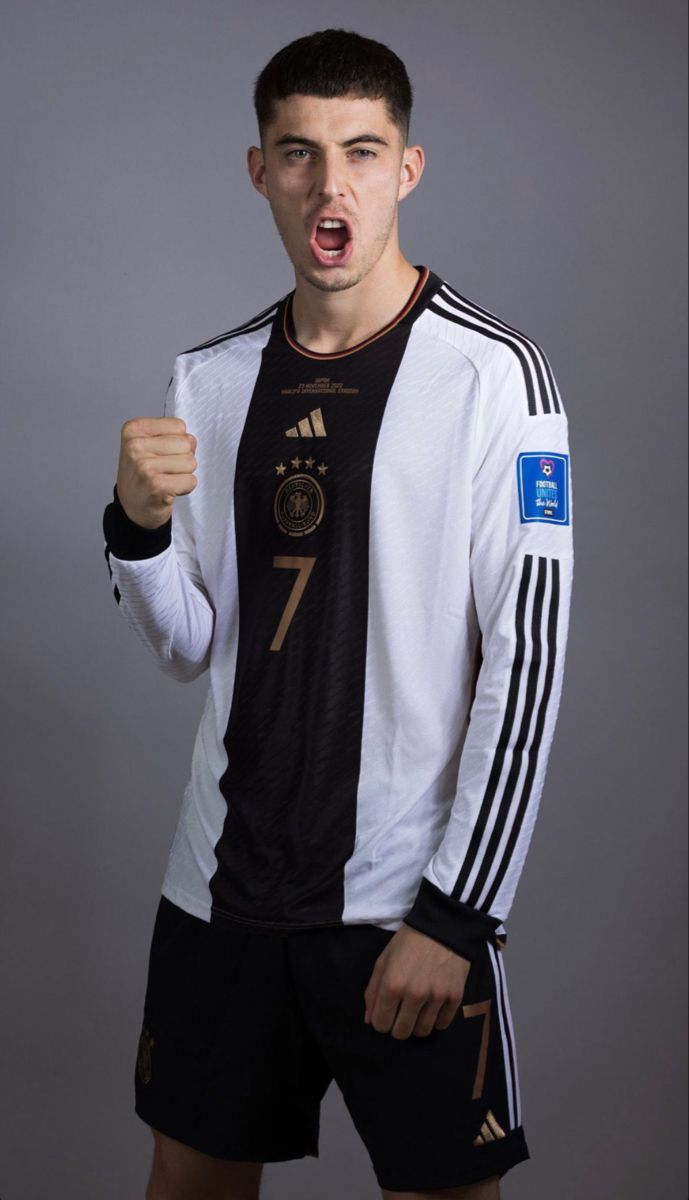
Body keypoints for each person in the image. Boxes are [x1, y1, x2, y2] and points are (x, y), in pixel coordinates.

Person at [102, 27, 574, 1200]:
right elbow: (191, 647)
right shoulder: (206, 382)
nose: (331, 183)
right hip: (220, 891)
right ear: (258, 170)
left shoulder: (497, 380)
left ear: (405, 169)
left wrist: (456, 918)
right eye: (299, 152)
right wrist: (135, 531)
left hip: (402, 905)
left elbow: (528, 664)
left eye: (361, 151)